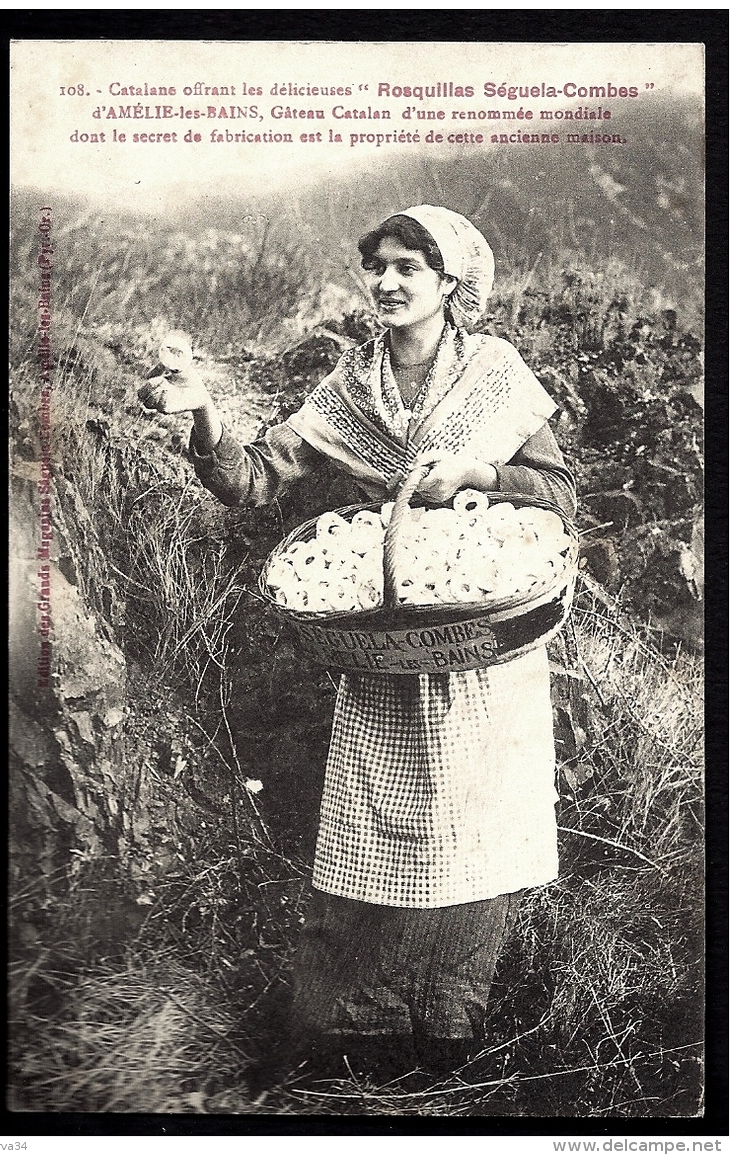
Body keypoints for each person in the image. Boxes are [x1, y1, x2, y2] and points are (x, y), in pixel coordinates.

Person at [139, 205, 576, 1081]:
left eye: (410, 267)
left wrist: (477, 473)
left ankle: (446, 1028)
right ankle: (353, 1032)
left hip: (482, 635)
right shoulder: (351, 386)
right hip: (384, 640)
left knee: (472, 828)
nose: (387, 282)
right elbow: (256, 479)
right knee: (374, 826)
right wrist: (203, 417)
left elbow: (559, 495)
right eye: (377, 265)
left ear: (451, 283)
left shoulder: (496, 374)